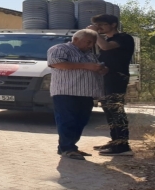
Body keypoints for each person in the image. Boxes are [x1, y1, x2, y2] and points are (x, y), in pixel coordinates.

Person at [47, 29, 107, 160]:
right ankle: (67, 148)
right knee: (67, 120)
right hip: (66, 92)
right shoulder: (60, 49)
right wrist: (87, 66)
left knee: (81, 121)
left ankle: (68, 147)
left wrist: (100, 69)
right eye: (88, 42)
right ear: (76, 39)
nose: (91, 46)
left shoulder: (89, 54)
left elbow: (93, 68)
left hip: (86, 93)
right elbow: (57, 63)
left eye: (93, 43)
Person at [88, 14, 136, 156]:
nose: (99, 28)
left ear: (114, 24)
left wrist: (94, 33)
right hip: (106, 78)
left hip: (117, 78)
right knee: (108, 111)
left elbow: (106, 47)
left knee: (116, 110)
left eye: (102, 24)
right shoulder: (107, 39)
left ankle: (123, 146)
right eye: (97, 25)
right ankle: (115, 141)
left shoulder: (124, 38)